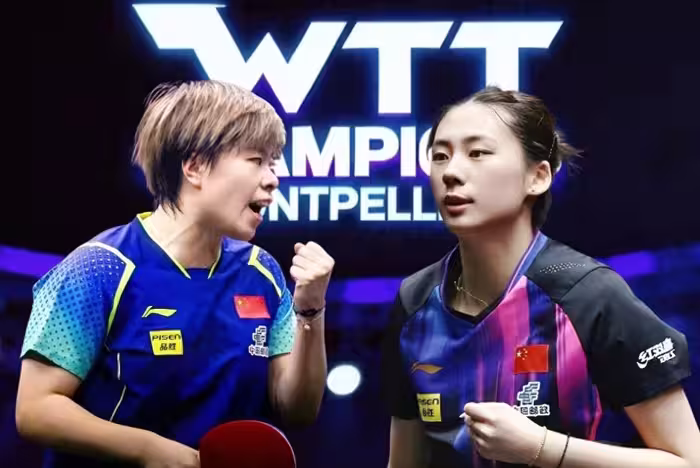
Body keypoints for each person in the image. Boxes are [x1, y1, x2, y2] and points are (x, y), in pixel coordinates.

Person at [16, 81, 333, 468]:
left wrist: (311, 310)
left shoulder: (262, 271)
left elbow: (297, 409)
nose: (272, 179)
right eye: (256, 160)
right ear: (195, 167)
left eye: (273, 163)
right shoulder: (98, 268)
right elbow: (35, 409)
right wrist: (148, 450)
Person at [381, 86, 700, 468]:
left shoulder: (590, 294)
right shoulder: (415, 300)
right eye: (439, 156)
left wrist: (541, 447)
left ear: (538, 176)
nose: (451, 172)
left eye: (477, 153)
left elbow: (688, 461)